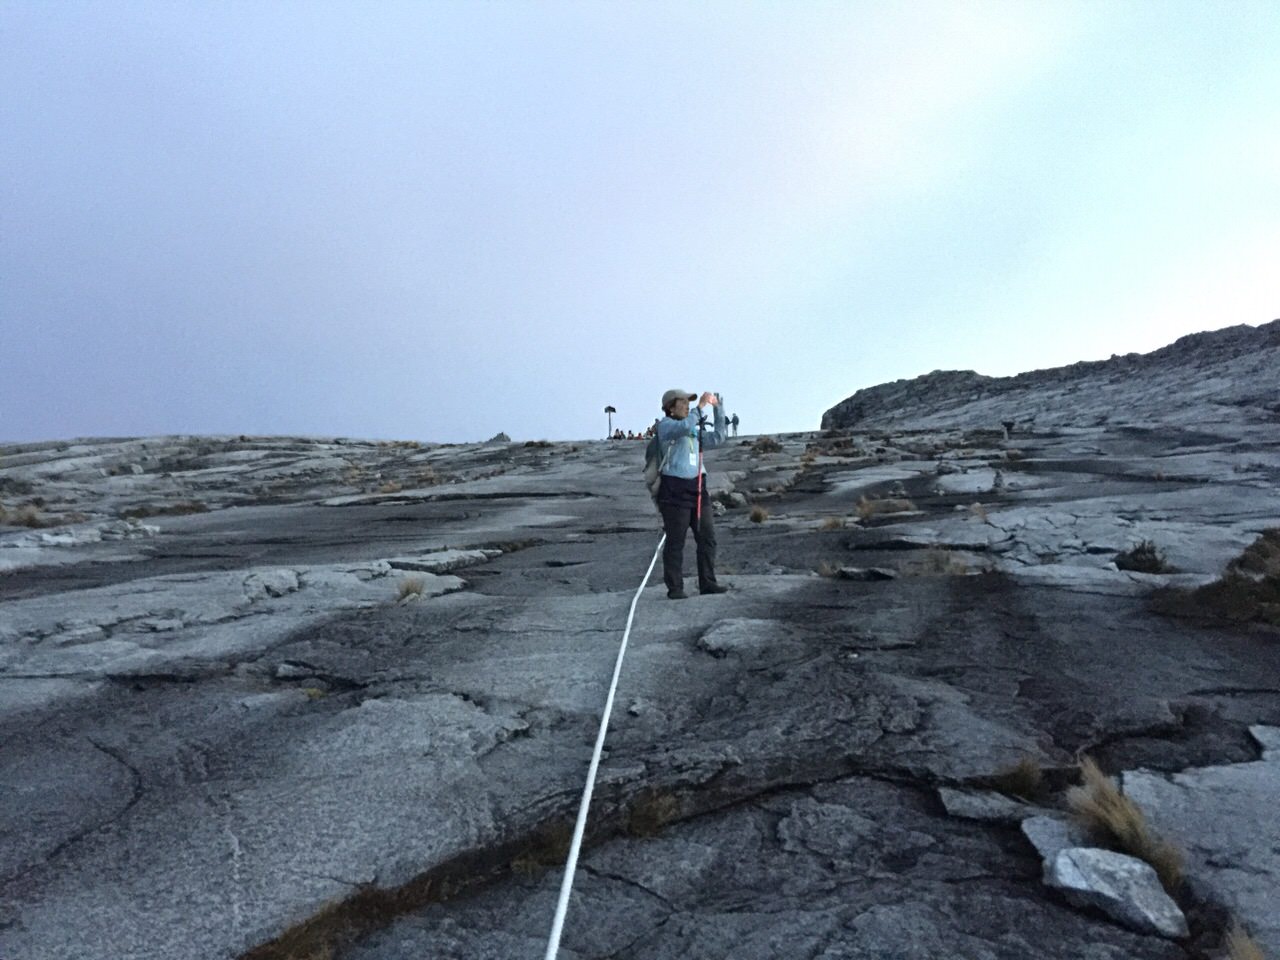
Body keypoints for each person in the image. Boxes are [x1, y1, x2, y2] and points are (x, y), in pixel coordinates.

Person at [654, 388, 728, 599]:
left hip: (697, 489)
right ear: (670, 407)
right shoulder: (666, 426)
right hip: (674, 491)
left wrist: (718, 409)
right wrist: (700, 407)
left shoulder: (692, 430)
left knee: (707, 538)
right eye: (683, 401)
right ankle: (675, 588)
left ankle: (708, 583)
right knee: (676, 541)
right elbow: (684, 426)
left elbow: (718, 437)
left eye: (689, 402)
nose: (687, 405)